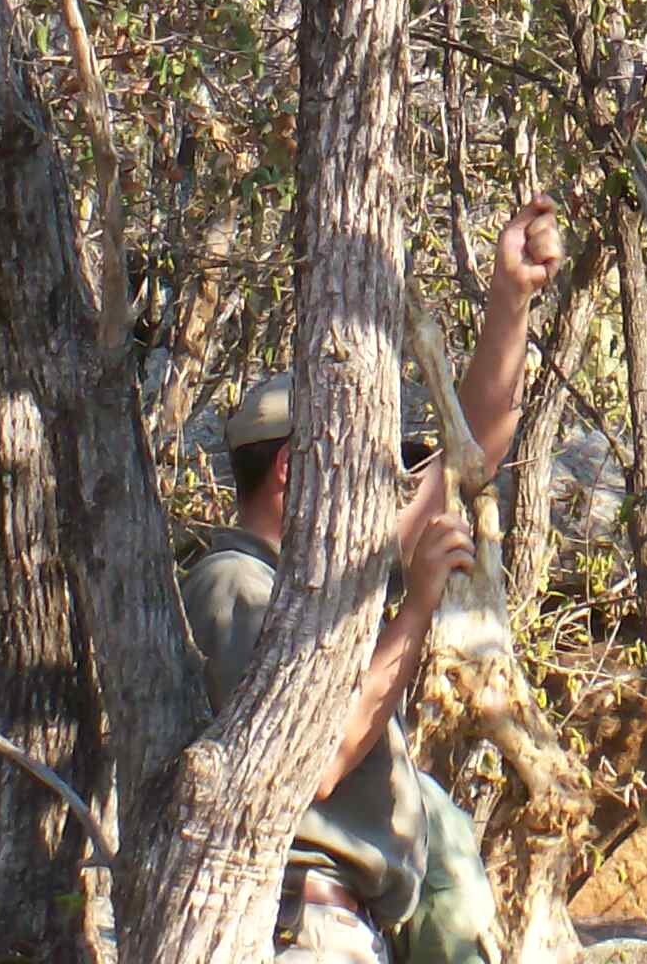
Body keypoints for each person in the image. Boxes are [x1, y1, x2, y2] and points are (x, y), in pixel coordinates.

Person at [184, 195, 565, 961]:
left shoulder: (321, 583)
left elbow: (468, 458)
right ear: (294, 470)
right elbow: (312, 761)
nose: (379, 482)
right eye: (359, 460)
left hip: (347, 927)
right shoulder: (234, 586)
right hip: (297, 927)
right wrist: (417, 610)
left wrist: (511, 297)